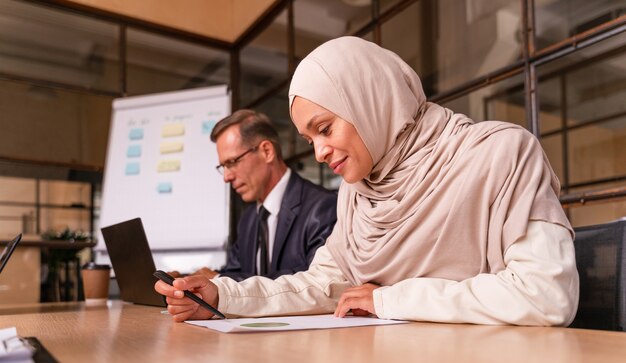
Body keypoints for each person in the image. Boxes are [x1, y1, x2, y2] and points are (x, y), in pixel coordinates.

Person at [156, 36, 579, 326]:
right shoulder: (358, 195)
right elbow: (322, 284)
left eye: (325, 129)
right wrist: (221, 296)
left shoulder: (500, 153)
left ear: (371, 100)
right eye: (309, 139)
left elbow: (546, 294)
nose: (319, 152)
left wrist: (387, 299)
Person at [178, 110, 337, 281]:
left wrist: (218, 279)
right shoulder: (248, 219)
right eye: (223, 167)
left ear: (267, 151)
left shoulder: (323, 207)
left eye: (232, 162)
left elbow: (315, 282)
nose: (226, 177)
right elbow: (234, 273)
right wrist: (185, 280)